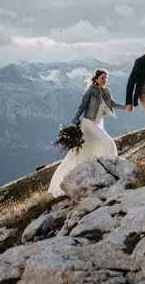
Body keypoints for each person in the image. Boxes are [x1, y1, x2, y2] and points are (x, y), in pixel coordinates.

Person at [47, 69, 121, 197]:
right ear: (96, 78)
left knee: (87, 150)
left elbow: (112, 104)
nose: (105, 80)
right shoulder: (90, 91)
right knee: (108, 142)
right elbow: (82, 106)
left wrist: (127, 107)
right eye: (103, 78)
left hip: (98, 123)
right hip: (89, 123)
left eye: (106, 78)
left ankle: (96, 171)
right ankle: (112, 169)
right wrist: (74, 121)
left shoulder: (106, 91)